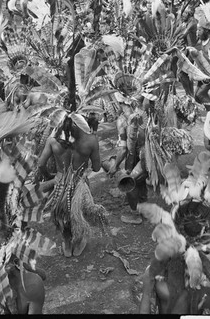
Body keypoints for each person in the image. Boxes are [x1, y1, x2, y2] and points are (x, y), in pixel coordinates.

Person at [36, 117, 104, 257]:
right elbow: (97, 168)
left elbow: (41, 164)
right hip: (80, 183)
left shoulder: (52, 140)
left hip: (60, 184)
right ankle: (78, 243)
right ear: (80, 123)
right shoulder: (90, 140)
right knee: (79, 213)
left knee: (62, 214)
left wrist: (50, 177)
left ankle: (67, 245)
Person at [108, 96, 148, 225]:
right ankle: (144, 206)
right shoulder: (143, 112)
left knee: (130, 181)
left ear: (119, 103)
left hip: (144, 156)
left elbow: (123, 150)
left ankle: (135, 214)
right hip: (149, 155)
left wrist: (115, 166)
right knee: (140, 179)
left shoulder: (122, 120)